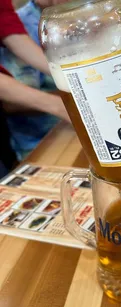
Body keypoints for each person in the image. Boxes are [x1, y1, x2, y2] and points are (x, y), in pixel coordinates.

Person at [0, 0, 69, 177]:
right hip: (36, 140)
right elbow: (11, 103)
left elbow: (9, 29)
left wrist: (70, 80)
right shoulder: (31, 19)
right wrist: (60, 105)